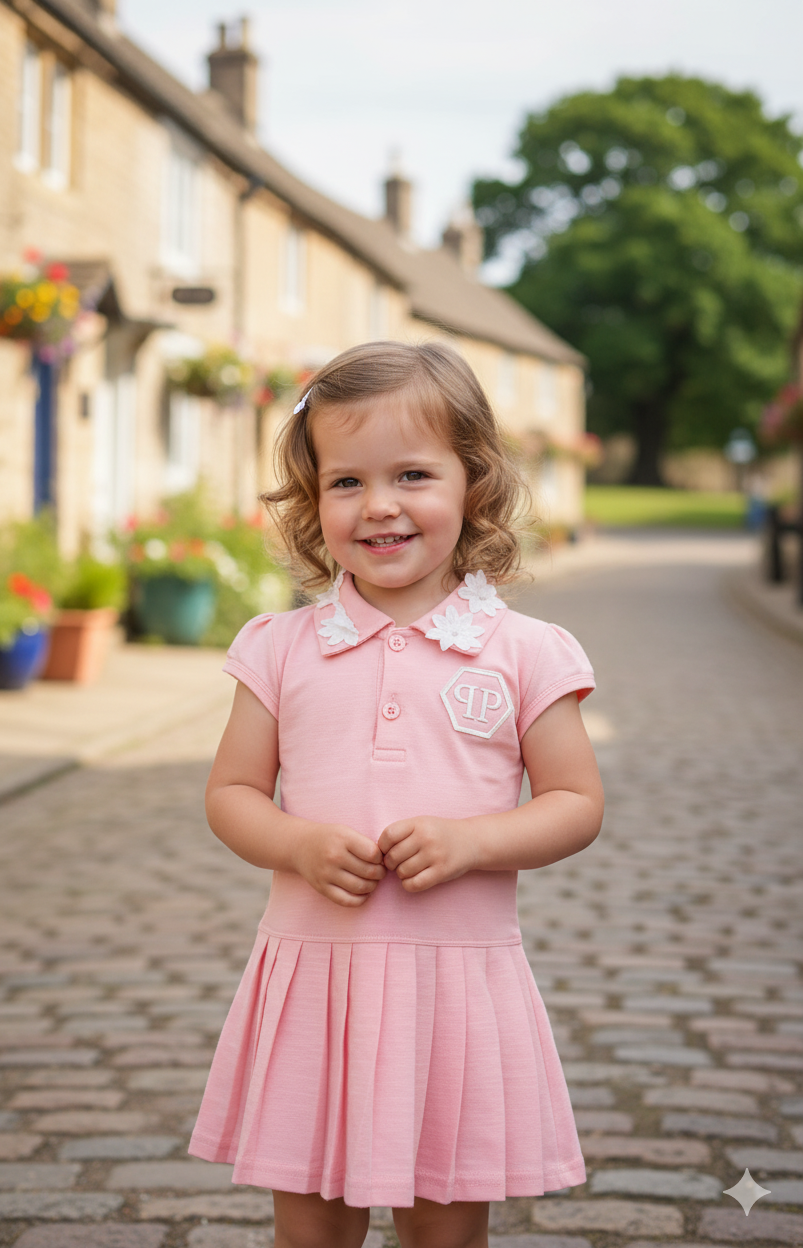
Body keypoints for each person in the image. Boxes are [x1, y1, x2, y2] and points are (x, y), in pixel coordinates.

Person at [189, 341, 604, 1248]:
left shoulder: (527, 652)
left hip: (453, 984)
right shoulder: (278, 647)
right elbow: (232, 792)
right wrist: (295, 844)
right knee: (309, 1233)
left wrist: (473, 842)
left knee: (446, 1236)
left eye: (412, 474)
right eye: (346, 482)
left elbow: (575, 800)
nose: (379, 506)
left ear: (474, 485)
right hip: (314, 983)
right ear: (313, 500)